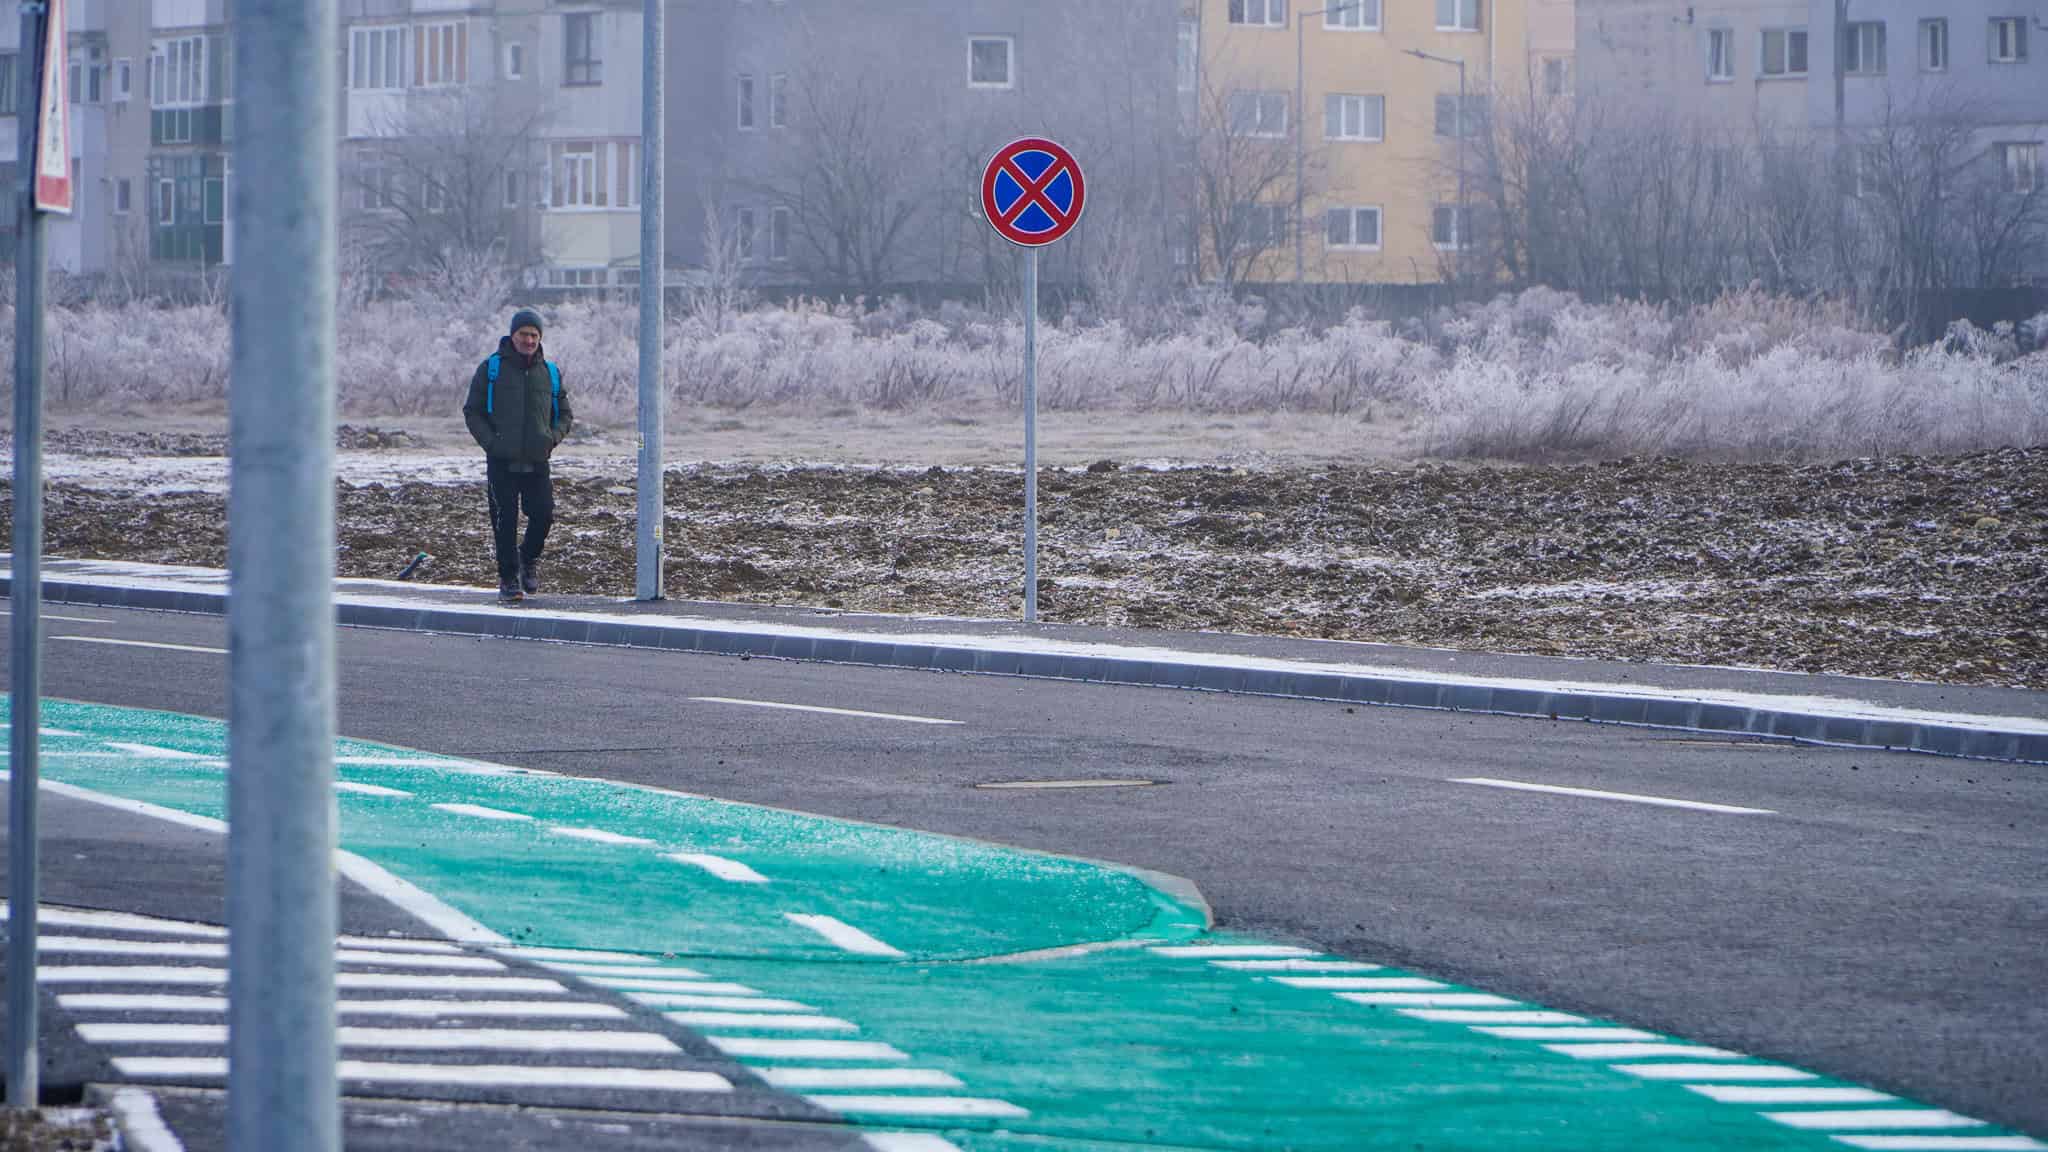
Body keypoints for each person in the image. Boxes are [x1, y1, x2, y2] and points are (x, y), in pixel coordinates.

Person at [464, 308, 574, 602]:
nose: (529, 340)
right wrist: (492, 443)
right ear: (512, 335)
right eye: (524, 334)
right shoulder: (491, 369)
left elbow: (564, 413)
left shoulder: (549, 373)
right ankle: (508, 579)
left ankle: (528, 558)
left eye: (534, 335)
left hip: (538, 460)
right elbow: (472, 411)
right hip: (501, 460)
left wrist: (551, 439)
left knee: (544, 515)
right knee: (505, 520)